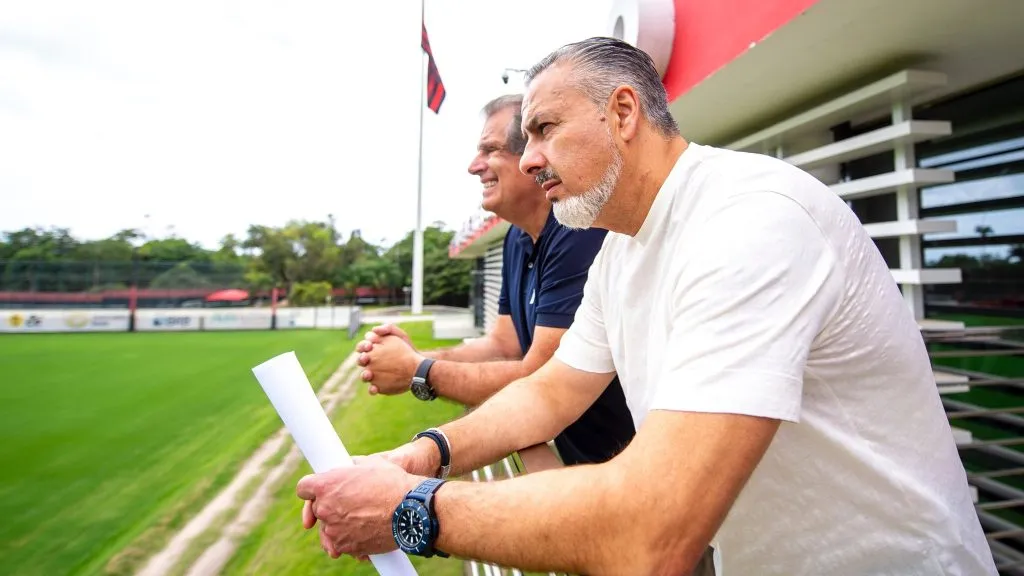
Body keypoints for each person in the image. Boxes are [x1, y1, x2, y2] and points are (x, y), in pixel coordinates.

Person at [295, 37, 996, 576]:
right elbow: (551, 392)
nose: (529, 157)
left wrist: (411, 512)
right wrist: (422, 456)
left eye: (543, 129)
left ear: (623, 111)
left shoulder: (750, 220)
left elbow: (650, 531)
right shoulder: (622, 246)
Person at [354, 93, 635, 468]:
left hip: (626, 468)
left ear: (533, 158)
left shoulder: (577, 232)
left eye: (490, 150)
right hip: (580, 461)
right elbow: (504, 344)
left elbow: (539, 375)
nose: (474, 166)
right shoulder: (516, 239)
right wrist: (417, 358)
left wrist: (418, 372)